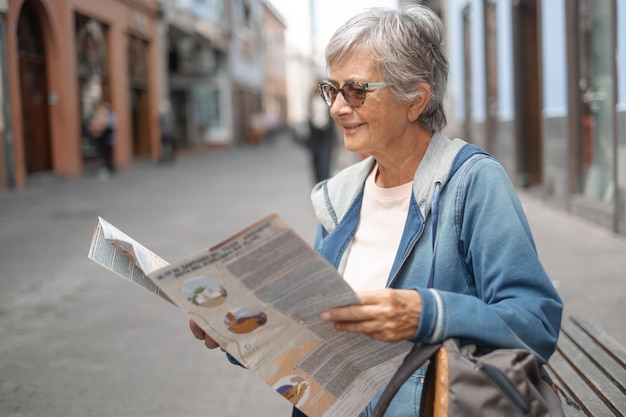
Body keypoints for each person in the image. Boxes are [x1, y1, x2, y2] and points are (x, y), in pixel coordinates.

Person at [189, 5, 563, 417]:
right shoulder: (339, 197)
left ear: (415, 100)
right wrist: (239, 330)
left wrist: (428, 313)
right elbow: (312, 336)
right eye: (331, 90)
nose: (336, 107)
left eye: (356, 90)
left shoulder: (473, 183)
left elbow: (536, 323)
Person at [307, 86, 337, 183]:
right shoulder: (311, 100)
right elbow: (309, 116)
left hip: (326, 133)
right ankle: (317, 182)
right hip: (315, 135)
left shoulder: (327, 101)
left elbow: (331, 118)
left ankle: (325, 182)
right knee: (316, 160)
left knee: (325, 160)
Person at [88, 101, 116, 178]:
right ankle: (107, 167)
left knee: (107, 152)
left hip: (105, 136)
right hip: (100, 136)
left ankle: (108, 167)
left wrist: (100, 129)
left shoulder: (107, 115)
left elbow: (108, 125)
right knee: (103, 152)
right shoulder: (98, 115)